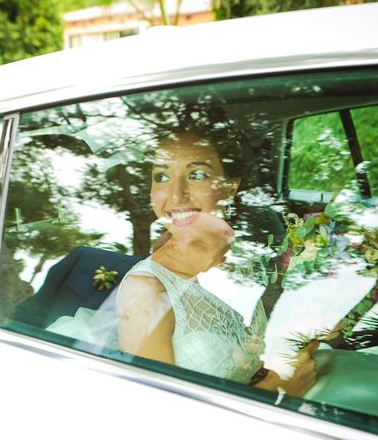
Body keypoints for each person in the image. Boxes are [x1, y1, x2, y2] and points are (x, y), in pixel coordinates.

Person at [116, 129, 318, 395]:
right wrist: (276, 390)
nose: (176, 195)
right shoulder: (147, 292)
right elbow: (160, 422)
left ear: (230, 188)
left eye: (196, 174)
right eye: (162, 177)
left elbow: (248, 353)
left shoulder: (237, 261)